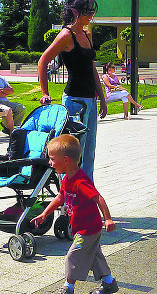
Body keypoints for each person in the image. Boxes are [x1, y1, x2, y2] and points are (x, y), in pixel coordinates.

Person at [30, 134, 118, 294]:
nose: (50, 162)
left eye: (52, 159)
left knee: (73, 255)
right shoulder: (66, 179)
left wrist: (108, 219)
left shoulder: (81, 181)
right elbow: (60, 197)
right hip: (81, 227)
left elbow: (98, 198)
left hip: (88, 229)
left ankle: (67, 290)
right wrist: (45, 213)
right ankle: (109, 282)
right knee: (94, 256)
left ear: (66, 160)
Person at [37, 0, 107, 181]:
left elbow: (92, 68)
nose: (91, 15)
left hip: (90, 100)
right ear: (76, 12)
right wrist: (45, 92)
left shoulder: (87, 34)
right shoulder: (66, 35)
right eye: (87, 11)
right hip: (74, 101)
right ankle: (69, 194)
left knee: (89, 151)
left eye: (93, 11)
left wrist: (102, 97)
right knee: (74, 154)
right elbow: (43, 61)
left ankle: (86, 190)